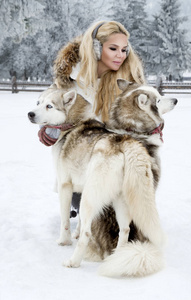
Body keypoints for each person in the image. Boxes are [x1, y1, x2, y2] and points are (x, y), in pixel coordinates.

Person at [38, 20, 146, 215]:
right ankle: (77, 200)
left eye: (124, 49)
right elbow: (52, 106)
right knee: (96, 213)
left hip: (115, 161)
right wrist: (46, 128)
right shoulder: (70, 78)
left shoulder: (128, 79)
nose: (120, 55)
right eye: (113, 48)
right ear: (96, 49)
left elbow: (144, 111)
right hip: (81, 163)